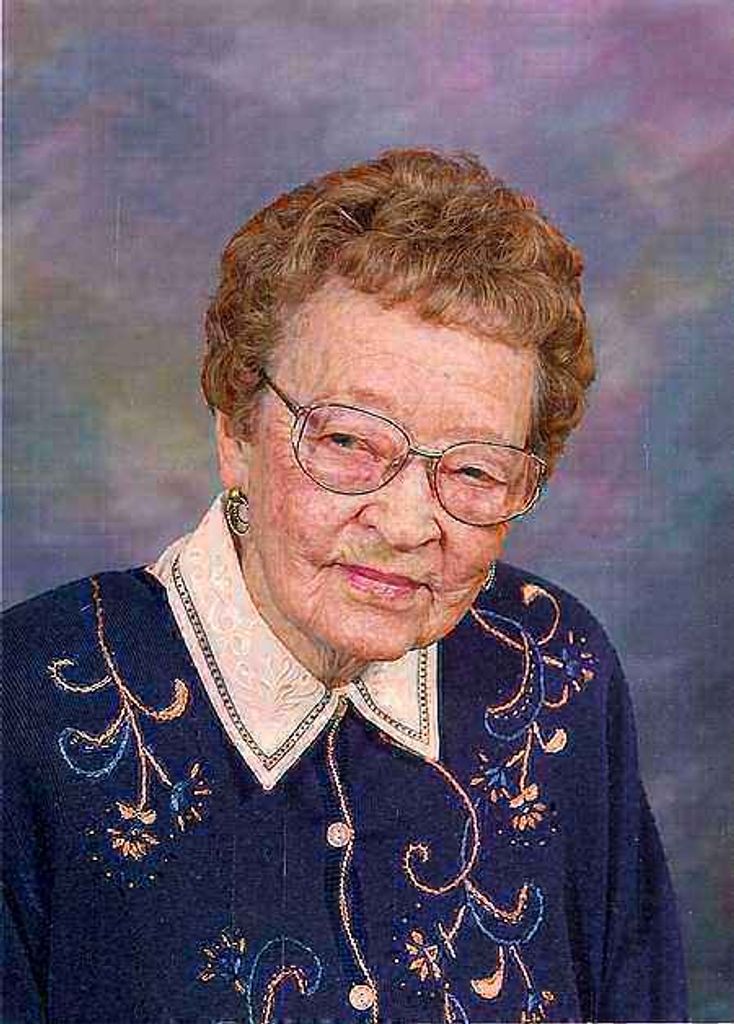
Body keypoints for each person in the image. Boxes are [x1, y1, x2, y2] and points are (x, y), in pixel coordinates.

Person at [2, 149, 687, 1024]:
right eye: (349, 442)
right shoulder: (25, 704)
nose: (406, 524)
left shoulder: (552, 665)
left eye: (475, 469)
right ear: (237, 429)